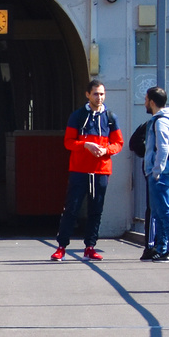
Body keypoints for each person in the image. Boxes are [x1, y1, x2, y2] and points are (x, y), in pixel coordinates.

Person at [53, 79, 124, 262]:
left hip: (101, 170)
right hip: (79, 170)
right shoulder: (77, 116)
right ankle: (61, 247)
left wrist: (106, 150)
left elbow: (118, 143)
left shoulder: (110, 117)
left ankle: (90, 246)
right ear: (87, 95)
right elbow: (68, 142)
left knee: (96, 210)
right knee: (72, 209)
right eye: (95, 94)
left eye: (102, 94)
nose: (99, 97)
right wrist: (85, 145)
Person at [139, 86, 169, 263]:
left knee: (165, 211)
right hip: (159, 173)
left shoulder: (161, 121)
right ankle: (162, 247)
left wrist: (156, 170)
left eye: (146, 99)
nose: (144, 103)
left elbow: (163, 147)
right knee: (158, 212)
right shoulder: (163, 119)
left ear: (152, 101)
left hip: (160, 175)